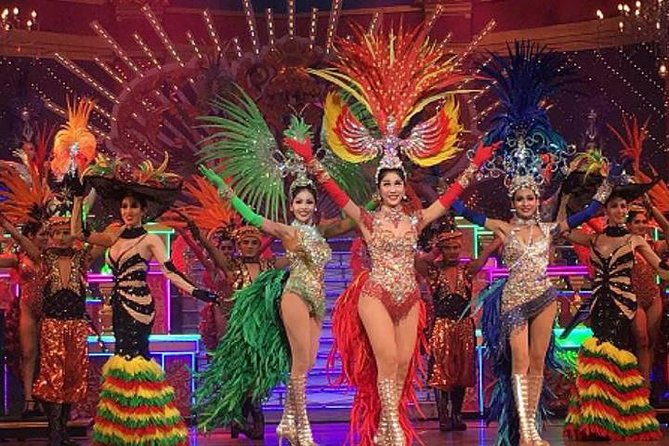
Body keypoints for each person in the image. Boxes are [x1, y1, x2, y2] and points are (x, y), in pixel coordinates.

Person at [195, 115, 364, 444]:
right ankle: (303, 429)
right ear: (291, 204)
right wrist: (224, 190)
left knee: (307, 364)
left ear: (315, 205)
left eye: (309, 201)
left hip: (318, 299)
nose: (304, 206)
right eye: (299, 201)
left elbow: (355, 218)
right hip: (295, 294)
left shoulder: (323, 231)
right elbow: (251, 216)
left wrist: (376, 202)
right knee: (299, 362)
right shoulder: (287, 232)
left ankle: (288, 422)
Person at [81, 155, 217, 446]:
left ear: (144, 209)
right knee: (122, 358)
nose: (128, 211)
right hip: (117, 305)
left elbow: (170, 272)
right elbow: (80, 234)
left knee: (137, 358)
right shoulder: (113, 237)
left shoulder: (150, 239)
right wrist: (81, 199)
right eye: (124, 206)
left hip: (140, 306)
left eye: (134, 206)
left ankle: (146, 431)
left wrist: (196, 291)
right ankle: (123, 431)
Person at [562, 181, 667, 441]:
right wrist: (580, 204)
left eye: (623, 206)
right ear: (605, 210)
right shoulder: (594, 239)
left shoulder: (635, 240)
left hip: (624, 305)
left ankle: (617, 416)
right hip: (600, 305)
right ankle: (598, 418)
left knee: (619, 353)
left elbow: (661, 269)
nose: (620, 210)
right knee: (599, 353)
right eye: (614, 206)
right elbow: (562, 230)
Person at [627, 199, 669, 385]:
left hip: (653, 296)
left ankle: (646, 387)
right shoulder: (624, 244)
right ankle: (635, 384)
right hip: (632, 298)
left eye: (644, 221)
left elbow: (667, 230)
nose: (642, 225)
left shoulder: (654, 245)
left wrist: (652, 208)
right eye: (637, 222)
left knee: (651, 342)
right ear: (628, 225)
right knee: (641, 340)